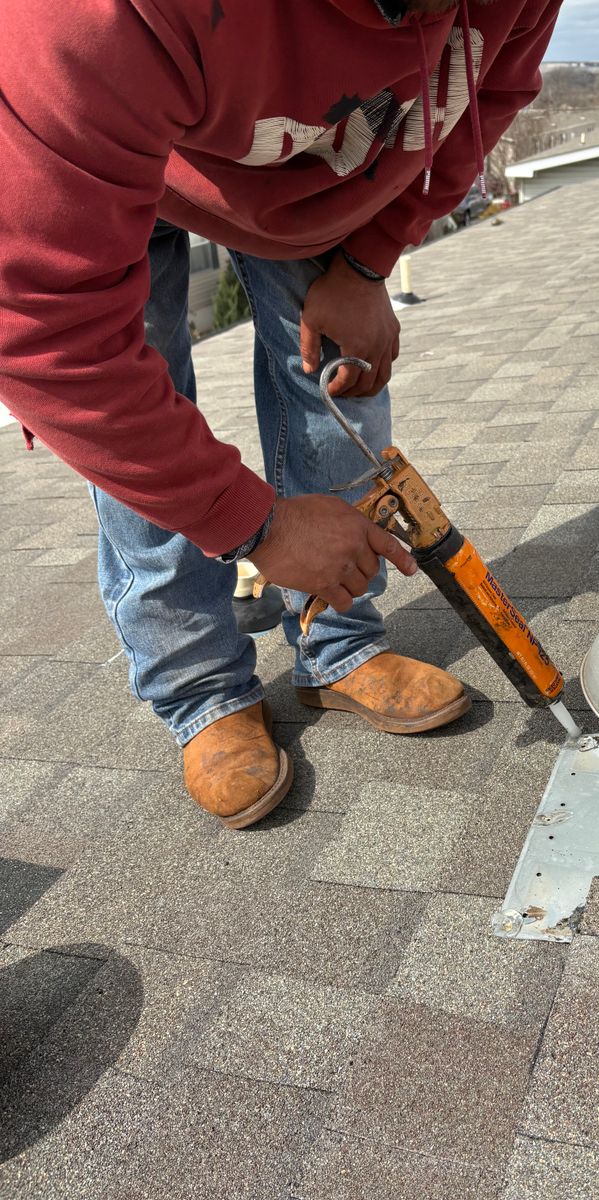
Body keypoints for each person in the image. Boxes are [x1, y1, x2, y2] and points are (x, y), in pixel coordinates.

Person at [0, 0, 563, 828]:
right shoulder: (86, 19)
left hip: (305, 163)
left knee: (340, 385)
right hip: (109, 163)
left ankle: (338, 646)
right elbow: (49, 328)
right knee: (138, 405)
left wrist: (371, 262)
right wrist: (253, 525)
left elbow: (497, 87)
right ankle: (202, 691)